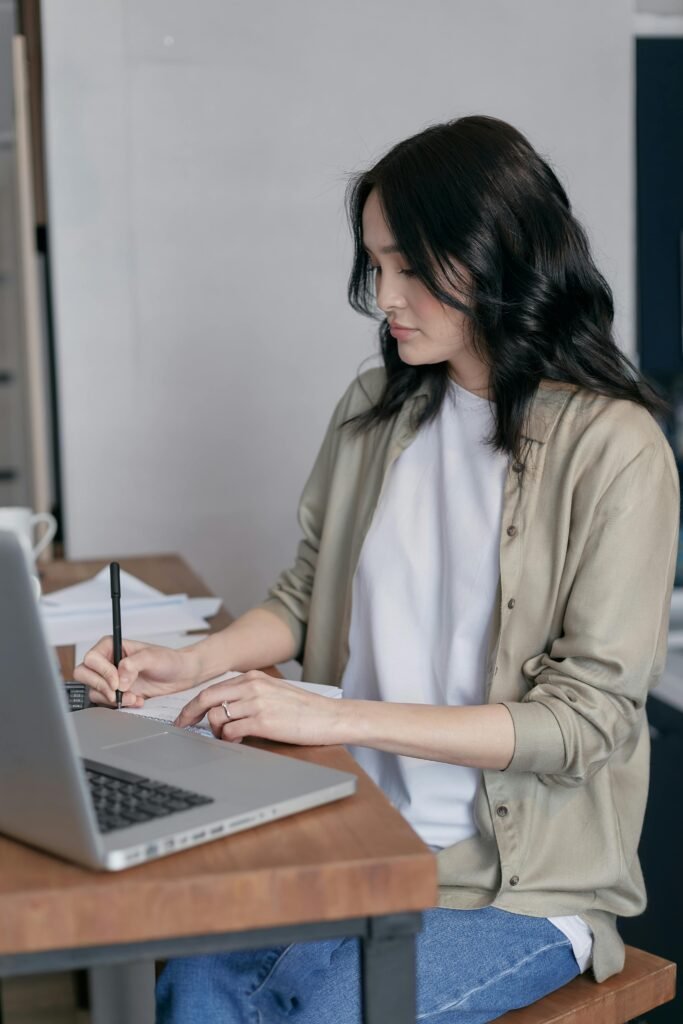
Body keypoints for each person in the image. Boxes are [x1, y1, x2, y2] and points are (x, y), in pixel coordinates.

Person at [75, 115, 679, 1024]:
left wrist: (329, 713)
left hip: (515, 885)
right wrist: (189, 662)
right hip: (357, 837)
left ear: (491, 259)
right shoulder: (376, 408)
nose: (384, 298)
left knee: (325, 1012)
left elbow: (582, 722)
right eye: (376, 266)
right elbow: (309, 587)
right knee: (191, 988)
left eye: (409, 268)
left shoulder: (615, 448)